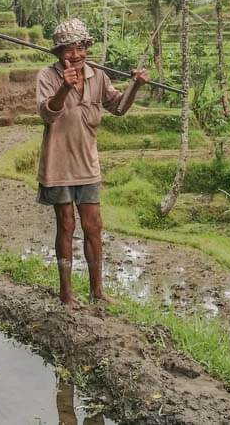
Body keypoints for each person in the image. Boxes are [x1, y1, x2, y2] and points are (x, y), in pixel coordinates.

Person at [36, 18, 149, 307]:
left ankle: (97, 292)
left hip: (87, 164)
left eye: (79, 48)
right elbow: (48, 115)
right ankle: (66, 294)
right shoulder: (47, 77)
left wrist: (135, 86)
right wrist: (63, 88)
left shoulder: (98, 76)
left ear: (86, 48)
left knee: (93, 226)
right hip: (58, 165)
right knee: (66, 225)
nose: (74, 55)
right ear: (59, 52)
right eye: (67, 50)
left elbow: (119, 107)